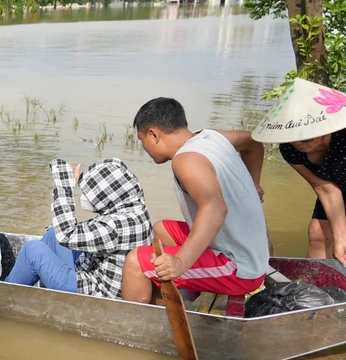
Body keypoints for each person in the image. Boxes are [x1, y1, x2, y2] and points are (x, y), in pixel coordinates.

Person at [121, 97, 270, 303]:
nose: (144, 147)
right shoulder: (211, 137)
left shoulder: (186, 160)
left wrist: (180, 263)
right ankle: (180, 296)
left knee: (135, 262)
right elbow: (253, 142)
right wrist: (254, 184)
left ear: (153, 134)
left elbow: (216, 209)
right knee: (161, 229)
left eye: (142, 140)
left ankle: (134, 330)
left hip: (241, 269)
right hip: (251, 249)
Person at [5, 158, 153, 298]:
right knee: (52, 234)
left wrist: (65, 187)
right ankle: (41, 288)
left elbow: (66, 234)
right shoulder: (134, 207)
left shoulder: (114, 226)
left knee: (32, 250)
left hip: (95, 290)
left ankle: (5, 294)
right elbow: (73, 232)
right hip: (95, 272)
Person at [278, 131, 346, 265]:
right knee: (318, 234)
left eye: (306, 139)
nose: (298, 144)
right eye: (292, 138)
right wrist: (341, 239)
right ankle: (317, 282)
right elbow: (324, 188)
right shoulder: (289, 148)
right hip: (334, 186)